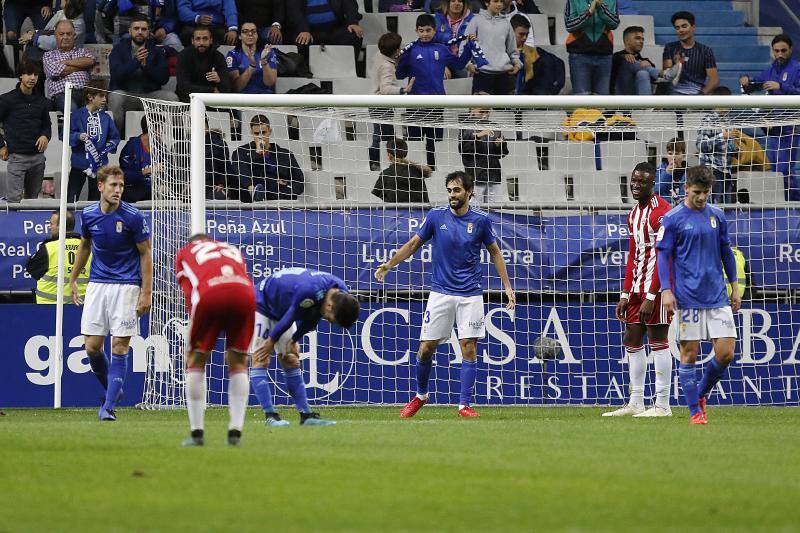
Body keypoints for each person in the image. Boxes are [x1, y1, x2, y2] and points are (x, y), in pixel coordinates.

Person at [375, 171, 516, 418]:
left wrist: (507, 286)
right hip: (440, 293)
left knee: (468, 347)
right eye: (450, 190)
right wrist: (390, 264)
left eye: (457, 190)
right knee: (426, 348)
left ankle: (464, 405)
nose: (452, 195)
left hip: (470, 294)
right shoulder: (435, 216)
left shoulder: (481, 221)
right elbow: (412, 245)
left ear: (469, 192)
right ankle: (421, 396)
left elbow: (495, 252)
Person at [656, 165, 741, 425]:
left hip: (716, 295)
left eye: (705, 192)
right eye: (696, 192)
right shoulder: (672, 219)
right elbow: (663, 255)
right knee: (689, 354)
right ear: (686, 189)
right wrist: (666, 289)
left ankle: (700, 394)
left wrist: (734, 285)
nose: (701, 197)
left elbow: (726, 251)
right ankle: (695, 412)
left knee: (726, 354)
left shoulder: (717, 216)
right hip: (687, 298)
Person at [69, 165, 153, 422]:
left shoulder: (133, 216)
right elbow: (85, 245)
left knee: (119, 346)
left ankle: (108, 407)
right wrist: (73, 278)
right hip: (97, 285)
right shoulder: (89, 214)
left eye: (121, 186)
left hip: (127, 286)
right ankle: (112, 392)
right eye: (113, 186)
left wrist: (146, 293)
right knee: (92, 347)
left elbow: (146, 254)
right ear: (100, 186)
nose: (118, 190)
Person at [603, 162, 673, 417]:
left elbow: (666, 256)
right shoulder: (633, 214)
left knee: (658, 342)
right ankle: (636, 402)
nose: (635, 185)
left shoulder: (662, 213)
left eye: (641, 181)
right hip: (636, 289)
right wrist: (625, 293)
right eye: (633, 180)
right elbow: (633, 256)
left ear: (652, 183)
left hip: (657, 289)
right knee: (631, 340)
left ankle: (663, 405)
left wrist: (653, 295)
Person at [250, 267, 360, 426]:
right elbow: (292, 315)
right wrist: (270, 342)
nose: (332, 322)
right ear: (329, 306)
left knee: (291, 360)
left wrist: (294, 340)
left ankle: (306, 416)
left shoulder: (340, 292)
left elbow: (313, 317)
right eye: (333, 319)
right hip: (262, 302)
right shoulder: (309, 291)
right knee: (261, 358)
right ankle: (270, 416)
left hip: (282, 310)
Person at [175, 235, 254, 446]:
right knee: (238, 361)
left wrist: (194, 338)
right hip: (245, 294)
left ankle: (197, 433)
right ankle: (235, 430)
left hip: (210, 295)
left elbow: (190, 292)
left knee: (196, 360)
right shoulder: (231, 249)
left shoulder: (185, 252)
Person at [397, 13, 487, 168]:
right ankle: (415, 175)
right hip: (414, 103)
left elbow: (459, 65)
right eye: (421, 31)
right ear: (416, 31)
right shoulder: (410, 50)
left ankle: (434, 174)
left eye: (428, 30)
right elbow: (399, 74)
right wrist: (402, 60)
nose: (424, 34)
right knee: (415, 144)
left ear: (434, 30)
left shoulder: (442, 49)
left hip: (436, 103)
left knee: (434, 144)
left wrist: (469, 48)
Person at [739, 34, 800, 201]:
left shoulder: (797, 68)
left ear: (791, 50)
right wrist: (745, 80)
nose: (780, 54)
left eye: (783, 51)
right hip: (773, 125)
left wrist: (781, 86)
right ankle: (781, 204)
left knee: (784, 170)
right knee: (774, 169)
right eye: (776, 51)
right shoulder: (771, 69)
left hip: (790, 125)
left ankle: (793, 204)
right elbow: (755, 83)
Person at [108, 14, 178, 136]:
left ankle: (174, 138)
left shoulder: (157, 51)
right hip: (127, 95)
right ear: (129, 31)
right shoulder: (118, 49)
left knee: (172, 98)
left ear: (149, 32)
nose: (140, 32)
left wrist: (146, 67)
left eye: (144, 29)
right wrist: (136, 62)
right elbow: (116, 76)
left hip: (150, 96)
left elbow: (163, 79)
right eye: (136, 28)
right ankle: (115, 139)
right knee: (115, 97)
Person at [0, 61, 52, 203]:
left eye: (35, 74)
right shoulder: (6, 100)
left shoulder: (42, 101)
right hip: (17, 157)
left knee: (33, 201)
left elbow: (47, 125)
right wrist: (1, 146)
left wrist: (45, 136)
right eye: (29, 74)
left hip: (38, 158)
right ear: (20, 75)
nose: (33, 78)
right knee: (14, 201)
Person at [68, 81, 121, 203]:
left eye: (105, 96)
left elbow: (115, 138)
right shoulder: (76, 115)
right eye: (101, 96)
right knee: (71, 199)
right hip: (79, 163)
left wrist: (107, 147)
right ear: (90, 97)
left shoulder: (106, 118)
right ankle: (68, 221)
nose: (104, 99)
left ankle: (94, 222)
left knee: (96, 201)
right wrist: (78, 136)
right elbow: (65, 135)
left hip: (99, 165)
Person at [232, 114, 305, 202]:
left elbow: (300, 182)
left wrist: (287, 187)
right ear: (251, 133)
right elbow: (243, 176)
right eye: (256, 133)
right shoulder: (241, 152)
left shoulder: (285, 154)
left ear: (269, 131)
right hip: (253, 202)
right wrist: (257, 154)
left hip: (281, 201)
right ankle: (255, 192)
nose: (260, 136)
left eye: (263, 132)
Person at [368, 32, 413, 171]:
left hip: (374, 103)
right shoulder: (387, 66)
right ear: (396, 50)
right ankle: (375, 162)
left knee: (381, 135)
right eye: (399, 48)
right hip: (381, 105)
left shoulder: (378, 56)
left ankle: (378, 161)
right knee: (383, 136)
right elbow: (385, 88)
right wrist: (403, 90)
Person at [26, 210, 91, 304]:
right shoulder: (87, 248)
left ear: (60, 226)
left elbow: (32, 269)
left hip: (48, 307)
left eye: (51, 224)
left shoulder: (49, 248)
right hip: (81, 306)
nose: (49, 227)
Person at [464, 0, 521, 95]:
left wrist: (517, 64)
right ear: (486, 3)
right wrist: (468, 64)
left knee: (502, 110)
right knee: (479, 109)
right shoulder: (476, 20)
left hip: (504, 75)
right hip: (482, 74)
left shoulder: (506, 23)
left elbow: (512, 48)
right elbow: (465, 44)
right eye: (495, 1)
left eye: (501, 2)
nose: (499, 4)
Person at [563, 0, 619, 95]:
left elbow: (615, 23)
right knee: (582, 98)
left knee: (602, 100)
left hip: (604, 55)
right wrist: (589, 12)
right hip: (579, 55)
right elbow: (569, 25)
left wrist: (601, 8)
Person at [42, 19, 96, 111]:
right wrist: (80, 66)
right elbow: (54, 72)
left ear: (74, 36)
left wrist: (66, 62)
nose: (65, 37)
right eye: (61, 34)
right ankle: (78, 125)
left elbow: (90, 61)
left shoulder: (83, 51)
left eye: (69, 34)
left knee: (98, 107)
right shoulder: (49, 55)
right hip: (62, 95)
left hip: (85, 94)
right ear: (55, 36)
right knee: (71, 108)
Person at [696, 86, 737, 204]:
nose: (726, 107)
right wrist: (721, 137)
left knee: (726, 208)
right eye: (722, 103)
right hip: (711, 170)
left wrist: (735, 149)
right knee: (712, 206)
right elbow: (700, 145)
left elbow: (728, 147)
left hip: (727, 171)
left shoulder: (729, 121)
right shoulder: (709, 120)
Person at [662, 11, 719, 95]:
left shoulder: (705, 50)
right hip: (674, 93)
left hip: (696, 93)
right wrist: (677, 64)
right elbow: (667, 74)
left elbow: (714, 79)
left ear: (693, 27)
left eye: (684, 26)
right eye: (677, 28)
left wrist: (701, 95)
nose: (681, 30)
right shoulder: (670, 47)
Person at [459, 104, 508, 202]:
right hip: (475, 177)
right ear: (472, 110)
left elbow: (502, 154)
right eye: (481, 112)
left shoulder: (495, 127)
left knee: (494, 211)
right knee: (474, 210)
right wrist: (477, 137)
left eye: (487, 112)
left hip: (494, 176)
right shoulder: (465, 127)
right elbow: (464, 151)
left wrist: (501, 145)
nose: (485, 115)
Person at [510, 14, 564, 95]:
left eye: (527, 34)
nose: (525, 38)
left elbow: (559, 64)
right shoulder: (500, 52)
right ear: (510, 32)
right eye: (521, 34)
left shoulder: (534, 53)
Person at [176, 25, 231, 102]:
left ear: (211, 40)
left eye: (205, 39)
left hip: (212, 100)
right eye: (198, 39)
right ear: (192, 41)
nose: (201, 43)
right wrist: (210, 90)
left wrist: (219, 80)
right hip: (189, 99)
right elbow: (183, 87)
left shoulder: (218, 57)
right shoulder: (184, 56)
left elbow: (227, 89)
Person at [285, 0, 364, 49]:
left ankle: (349, 70)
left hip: (333, 30)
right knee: (301, 41)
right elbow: (294, 12)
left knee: (355, 34)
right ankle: (305, 71)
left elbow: (350, 5)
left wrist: (353, 23)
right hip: (309, 31)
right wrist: (303, 30)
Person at [226, 20, 278, 95]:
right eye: (245, 31)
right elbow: (236, 88)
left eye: (253, 31)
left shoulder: (268, 52)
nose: (250, 34)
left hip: (266, 98)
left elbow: (270, 83)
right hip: (242, 100)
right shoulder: (233, 55)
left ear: (257, 35)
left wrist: (264, 62)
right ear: (239, 36)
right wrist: (251, 66)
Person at [372, 137, 431, 203]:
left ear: (389, 155)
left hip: (393, 212)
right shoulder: (418, 172)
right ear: (405, 154)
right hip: (417, 212)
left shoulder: (386, 174)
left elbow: (378, 193)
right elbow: (425, 198)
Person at [610, 26, 661, 95]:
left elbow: (654, 81)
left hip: (639, 96)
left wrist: (649, 64)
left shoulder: (644, 60)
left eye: (643, 39)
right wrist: (623, 56)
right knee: (628, 62)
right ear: (627, 41)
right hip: (621, 96)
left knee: (643, 73)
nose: (641, 41)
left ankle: (646, 105)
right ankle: (663, 74)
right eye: (638, 38)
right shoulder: (617, 57)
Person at [434, 0, 475, 79]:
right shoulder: (438, 19)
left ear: (464, 4)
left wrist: (470, 63)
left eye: (460, 1)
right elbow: (433, 43)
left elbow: (475, 43)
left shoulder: (472, 20)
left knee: (466, 75)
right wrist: (441, 64)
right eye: (453, 1)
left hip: (462, 60)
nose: (456, 3)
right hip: (443, 59)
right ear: (448, 3)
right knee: (441, 75)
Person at [119, 116, 153, 202]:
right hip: (134, 188)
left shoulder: (161, 147)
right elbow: (125, 176)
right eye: (161, 128)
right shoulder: (131, 147)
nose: (163, 132)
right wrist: (145, 171)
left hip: (153, 189)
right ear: (152, 128)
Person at [655, 138, 687, 205]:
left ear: (683, 155)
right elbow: (656, 191)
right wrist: (667, 173)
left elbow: (685, 194)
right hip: (663, 206)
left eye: (677, 154)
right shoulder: (660, 170)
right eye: (670, 153)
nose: (673, 157)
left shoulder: (688, 172)